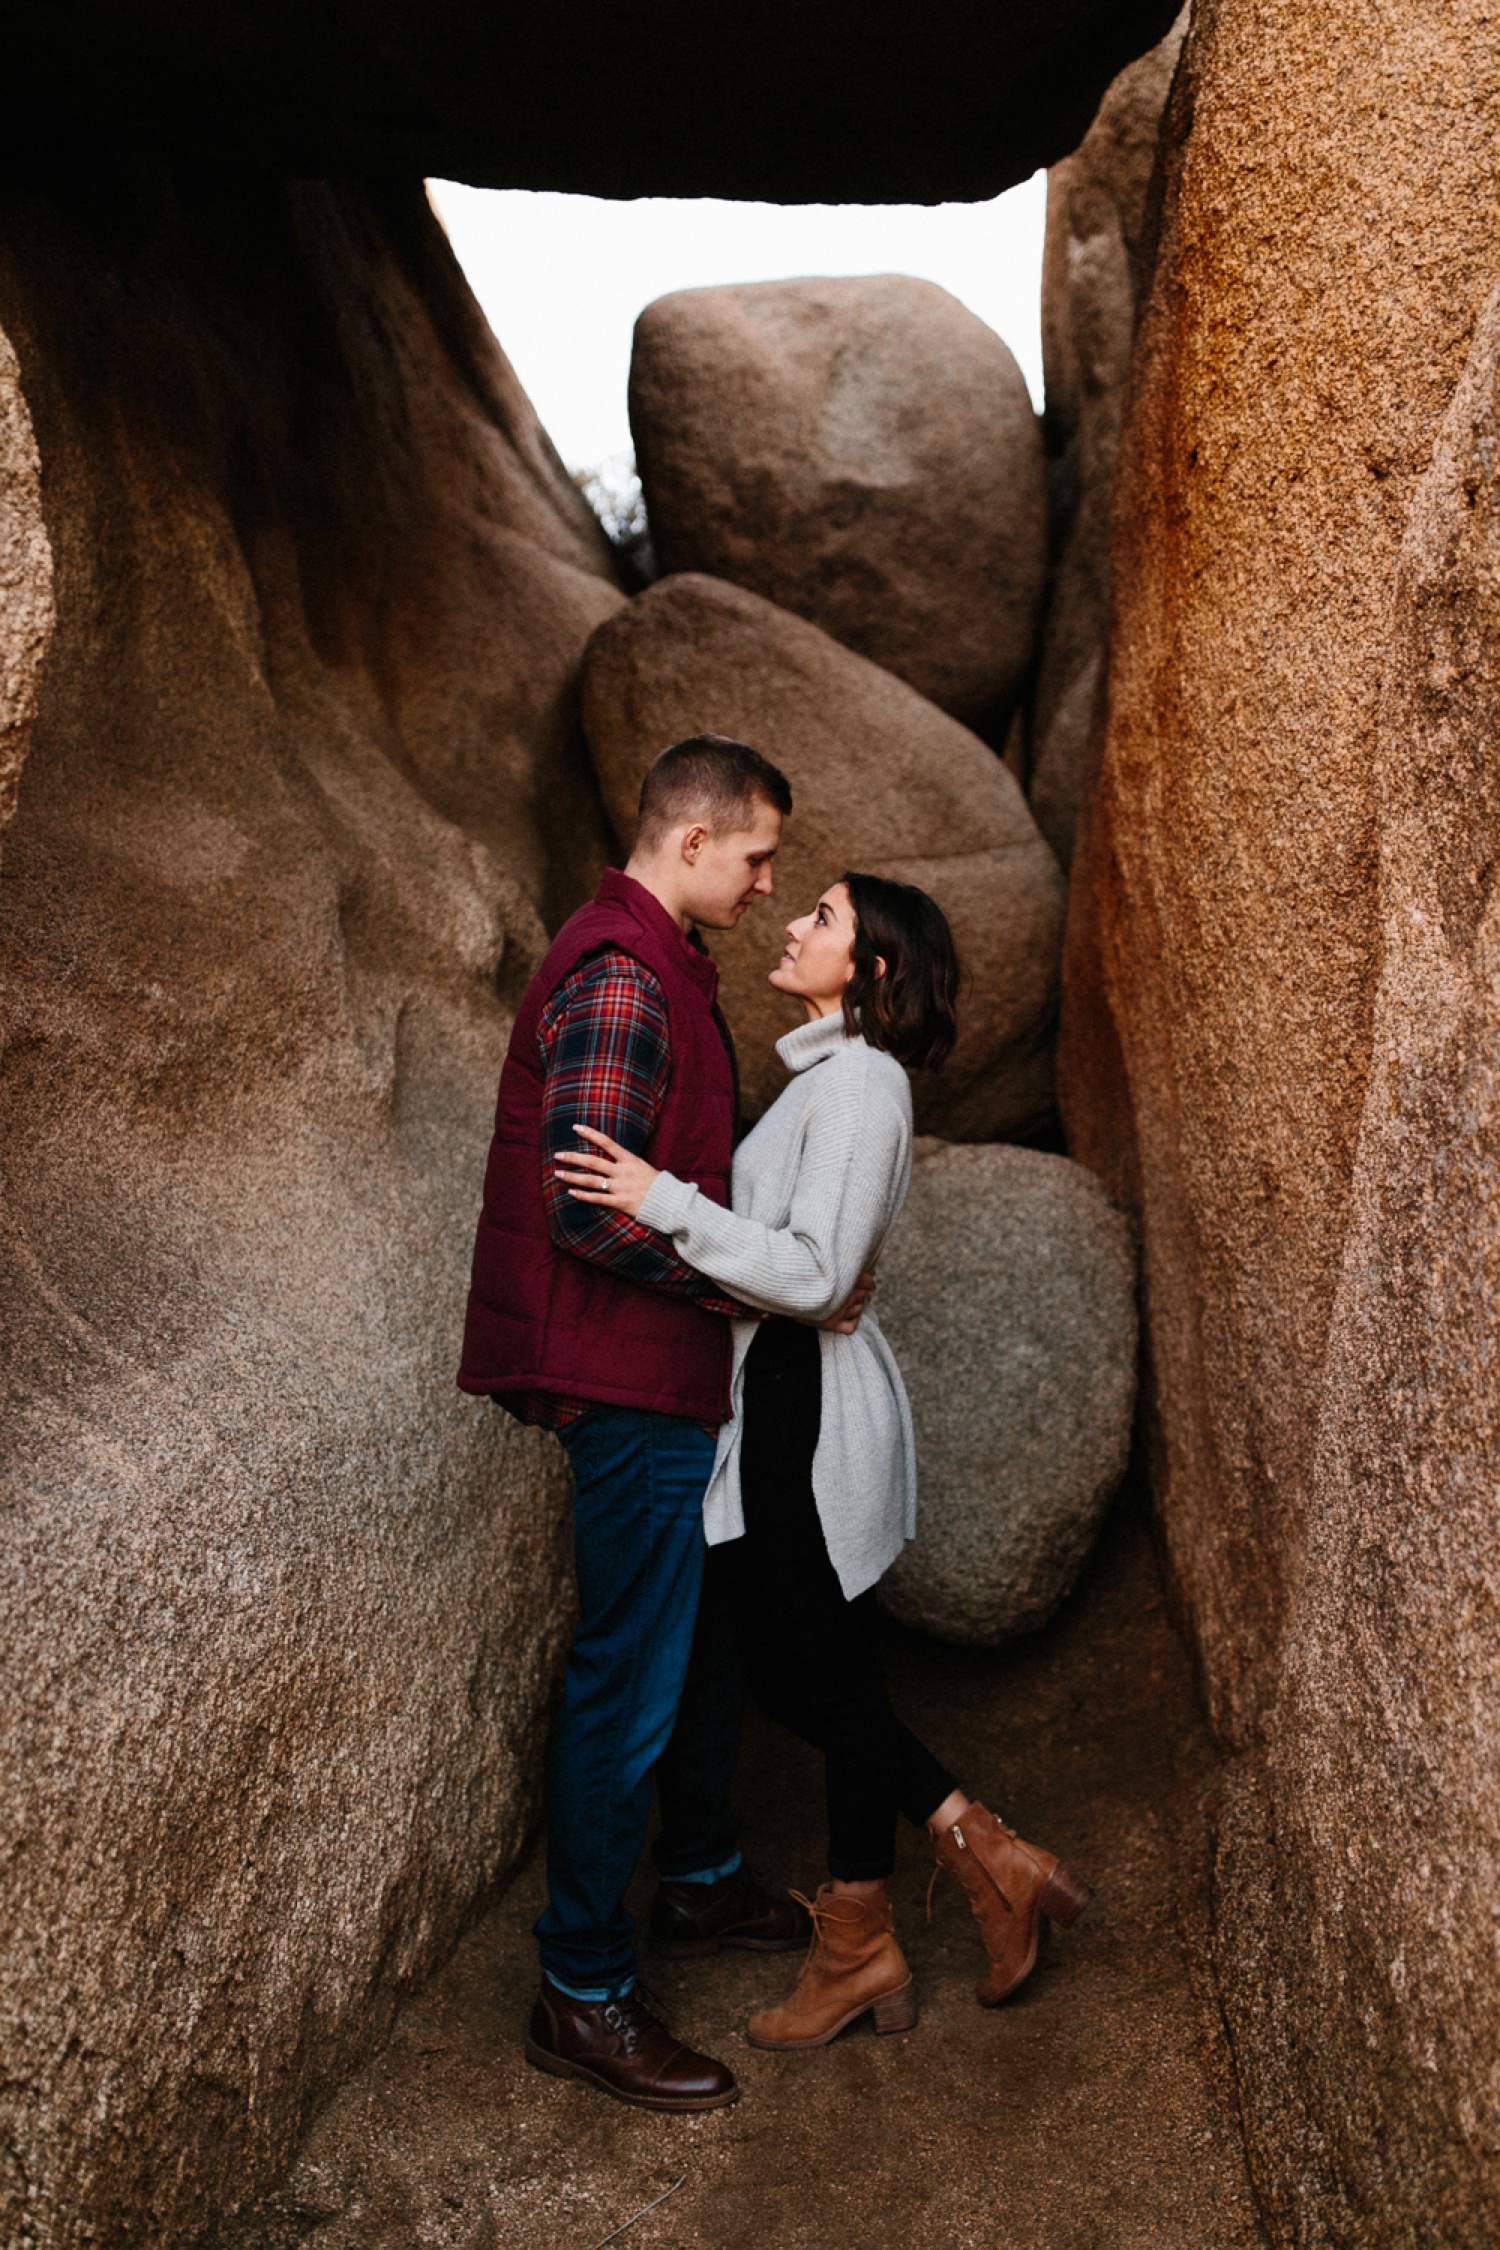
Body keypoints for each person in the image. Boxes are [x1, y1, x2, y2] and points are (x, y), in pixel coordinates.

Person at [556, 871, 1093, 2050]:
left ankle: (868, 1945)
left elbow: (807, 1271)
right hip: (781, 1401)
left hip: (802, 1420)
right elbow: (812, 1267)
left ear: (875, 969)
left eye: (827, 918)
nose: (795, 924)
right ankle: (985, 1862)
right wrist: (755, 1248)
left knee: (823, 1680)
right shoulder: (834, 1082)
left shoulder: (860, 1085)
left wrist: (663, 1202)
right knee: (804, 1677)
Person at [458, 733, 870, 2115]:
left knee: (696, 1658)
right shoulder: (627, 975)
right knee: (629, 1676)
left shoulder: (664, 966)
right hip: (630, 1384)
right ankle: (580, 1986)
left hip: (673, 1377)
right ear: (689, 843)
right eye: (757, 860)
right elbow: (589, 1203)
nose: (768, 887)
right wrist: (762, 1278)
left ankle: (694, 1884)